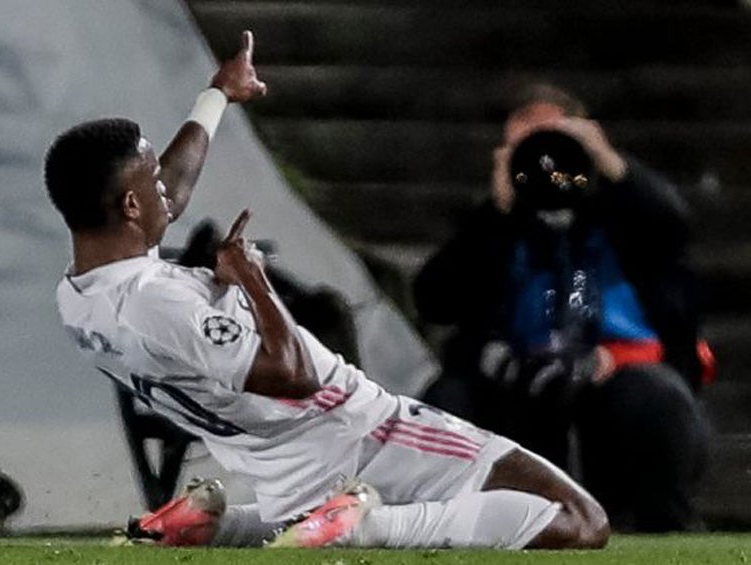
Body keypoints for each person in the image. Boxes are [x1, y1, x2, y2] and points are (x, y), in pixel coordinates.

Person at [44, 34, 608, 550]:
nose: (167, 186)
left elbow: (170, 193)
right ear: (131, 207)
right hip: (359, 427)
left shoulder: (80, 297)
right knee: (578, 518)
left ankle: (218, 525)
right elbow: (295, 375)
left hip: (280, 464)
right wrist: (252, 281)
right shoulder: (155, 302)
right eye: (152, 182)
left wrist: (216, 96)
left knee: (444, 508)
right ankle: (364, 524)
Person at [412, 83, 711, 532]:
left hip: (618, 374)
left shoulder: (628, 215)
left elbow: (673, 228)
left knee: (654, 398)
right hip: (513, 378)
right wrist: (496, 214)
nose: (546, 163)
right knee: (447, 402)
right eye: (529, 145)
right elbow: (436, 298)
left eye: (556, 141)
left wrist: (608, 164)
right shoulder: (496, 224)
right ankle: (453, 527)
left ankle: (660, 525)